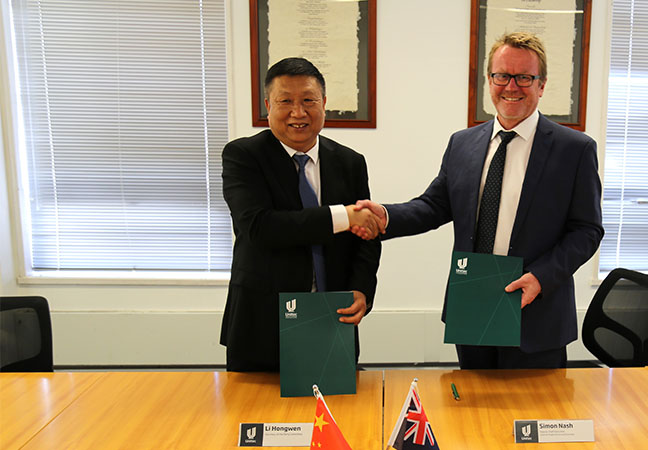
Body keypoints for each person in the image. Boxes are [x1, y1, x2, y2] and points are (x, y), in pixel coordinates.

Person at [354, 32, 603, 369]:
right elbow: (433, 206)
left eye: (524, 77)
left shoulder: (575, 149)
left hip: (535, 310)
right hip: (471, 304)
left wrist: (540, 278)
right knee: (472, 414)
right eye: (502, 75)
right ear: (489, 81)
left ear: (541, 85)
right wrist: (386, 216)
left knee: (533, 415)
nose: (511, 86)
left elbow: (586, 231)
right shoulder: (463, 144)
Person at [220, 57, 382, 372]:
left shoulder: (350, 162)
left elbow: (367, 235)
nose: (298, 112)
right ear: (268, 105)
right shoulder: (243, 156)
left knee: (337, 419)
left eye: (309, 100)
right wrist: (343, 217)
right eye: (286, 101)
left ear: (324, 104)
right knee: (254, 415)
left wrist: (362, 288)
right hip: (261, 323)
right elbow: (260, 227)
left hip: (331, 317)